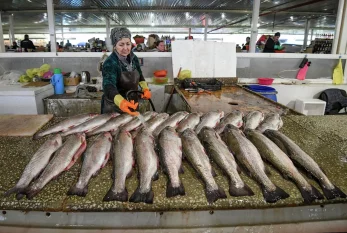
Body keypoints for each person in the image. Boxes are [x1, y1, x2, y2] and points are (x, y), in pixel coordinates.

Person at [101, 27, 151, 115]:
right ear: (114, 45)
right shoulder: (110, 62)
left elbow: (140, 75)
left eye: (128, 44)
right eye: (121, 44)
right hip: (114, 108)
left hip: (132, 104)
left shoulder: (133, 58)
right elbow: (108, 86)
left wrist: (145, 88)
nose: (125, 48)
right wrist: (121, 102)